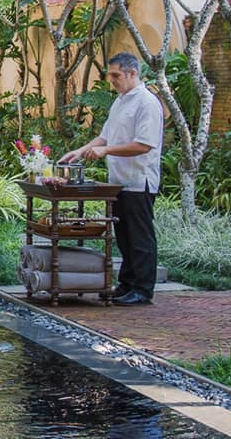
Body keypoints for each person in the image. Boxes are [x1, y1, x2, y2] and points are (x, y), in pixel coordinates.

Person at [60, 52, 165, 306]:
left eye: (116, 75)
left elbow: (144, 145)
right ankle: (126, 283)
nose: (113, 81)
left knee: (140, 236)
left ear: (132, 73)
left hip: (139, 180)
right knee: (124, 236)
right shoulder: (120, 102)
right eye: (111, 76)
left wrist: (105, 151)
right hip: (118, 180)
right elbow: (106, 136)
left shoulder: (147, 103)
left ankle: (142, 288)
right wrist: (80, 150)